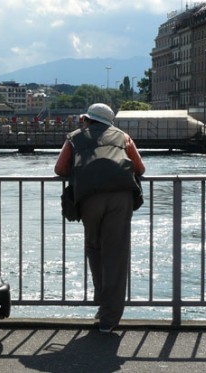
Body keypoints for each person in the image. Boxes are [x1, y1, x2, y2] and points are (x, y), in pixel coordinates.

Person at [54, 103, 145, 333]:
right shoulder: (123, 137)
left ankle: (102, 300)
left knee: (94, 248)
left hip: (90, 199)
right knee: (116, 254)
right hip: (121, 197)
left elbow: (60, 169)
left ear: (87, 119)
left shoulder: (74, 137)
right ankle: (109, 318)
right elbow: (140, 167)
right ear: (109, 122)